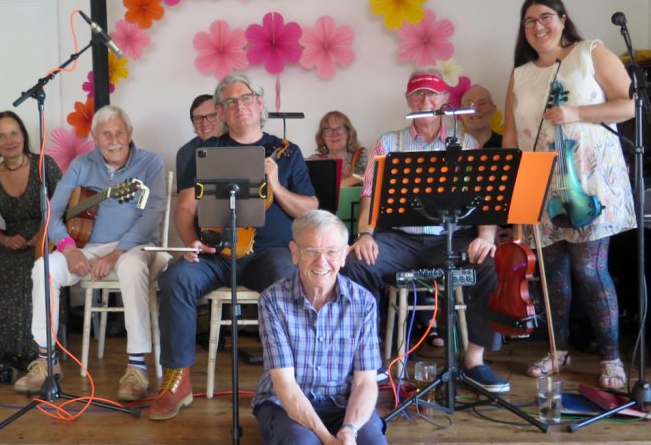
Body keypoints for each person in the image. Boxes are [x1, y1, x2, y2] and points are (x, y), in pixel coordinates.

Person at [150, 73, 318, 421]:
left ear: (259, 104)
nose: (238, 106)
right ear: (222, 114)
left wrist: (276, 184)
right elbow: (185, 208)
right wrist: (191, 241)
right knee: (176, 278)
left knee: (289, 276)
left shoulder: (288, 153)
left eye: (245, 99)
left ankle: (291, 380)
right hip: (216, 254)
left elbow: (311, 209)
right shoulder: (204, 152)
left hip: (268, 254)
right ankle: (178, 381)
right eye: (228, 102)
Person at [342, 69, 510, 393]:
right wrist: (365, 235)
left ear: (446, 100)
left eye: (433, 94)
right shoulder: (389, 142)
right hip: (400, 238)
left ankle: (474, 360)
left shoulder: (466, 143)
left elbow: (484, 203)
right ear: (408, 100)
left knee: (488, 263)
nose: (426, 100)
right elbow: (370, 201)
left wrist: (486, 236)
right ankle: (370, 360)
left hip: (451, 236)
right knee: (355, 264)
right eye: (418, 94)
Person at [503, 0, 635, 389]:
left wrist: (576, 113)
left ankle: (612, 360)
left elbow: (628, 104)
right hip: (541, 185)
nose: (538, 27)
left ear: (562, 19)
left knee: (590, 271)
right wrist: (518, 200)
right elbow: (512, 139)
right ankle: (557, 350)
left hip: (587, 184)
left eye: (545, 17)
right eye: (529, 21)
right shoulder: (520, 74)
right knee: (551, 277)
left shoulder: (589, 52)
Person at [13, 105, 166, 402]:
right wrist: (68, 249)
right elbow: (54, 214)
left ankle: (137, 368)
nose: (114, 140)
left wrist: (118, 253)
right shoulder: (82, 165)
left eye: (119, 132)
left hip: (135, 247)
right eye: (106, 134)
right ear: (95, 138)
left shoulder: (151, 163)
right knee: (43, 268)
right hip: (86, 248)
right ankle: (47, 360)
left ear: (130, 133)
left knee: (132, 267)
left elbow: (152, 213)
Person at [254, 210, 387, 445]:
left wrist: (349, 429)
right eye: (311, 251)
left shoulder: (364, 302)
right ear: (294, 253)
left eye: (332, 252)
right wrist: (327, 439)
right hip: (286, 403)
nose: (322, 261)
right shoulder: (272, 301)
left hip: (345, 403)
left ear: (345, 255)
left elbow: (365, 382)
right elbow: (285, 385)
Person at [0, 111, 62, 369]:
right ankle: (7, 352)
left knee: (35, 268)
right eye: (1, 136)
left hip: (48, 234)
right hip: (13, 239)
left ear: (23, 136)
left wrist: (44, 232)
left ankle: (38, 352)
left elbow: (62, 206)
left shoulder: (44, 165)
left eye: (14, 133)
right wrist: (5, 241)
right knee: (1, 268)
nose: (9, 141)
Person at [308, 111, 367, 187]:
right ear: (322, 137)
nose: (334, 134)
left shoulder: (361, 155)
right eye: (328, 130)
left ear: (349, 133)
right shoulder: (315, 160)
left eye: (340, 128)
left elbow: (368, 182)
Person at [175, 94, 225, 180]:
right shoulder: (186, 153)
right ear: (193, 124)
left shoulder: (240, 144)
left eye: (211, 116)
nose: (205, 123)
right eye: (198, 118)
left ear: (223, 117)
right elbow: (187, 192)